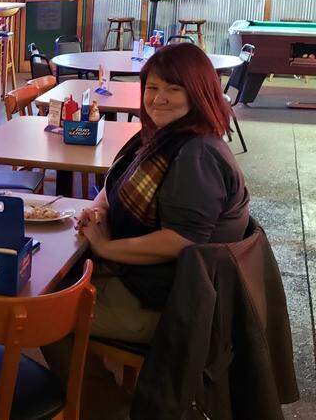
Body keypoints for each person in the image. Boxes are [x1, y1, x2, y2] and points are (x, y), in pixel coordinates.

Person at [43, 43, 250, 418]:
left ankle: (110, 410)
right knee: (54, 282)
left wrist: (105, 248)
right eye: (152, 87)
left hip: (174, 302)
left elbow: (181, 240)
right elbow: (116, 182)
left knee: (46, 315)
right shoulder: (163, 136)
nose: (158, 98)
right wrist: (98, 207)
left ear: (198, 92)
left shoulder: (197, 154)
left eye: (173, 88)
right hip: (149, 280)